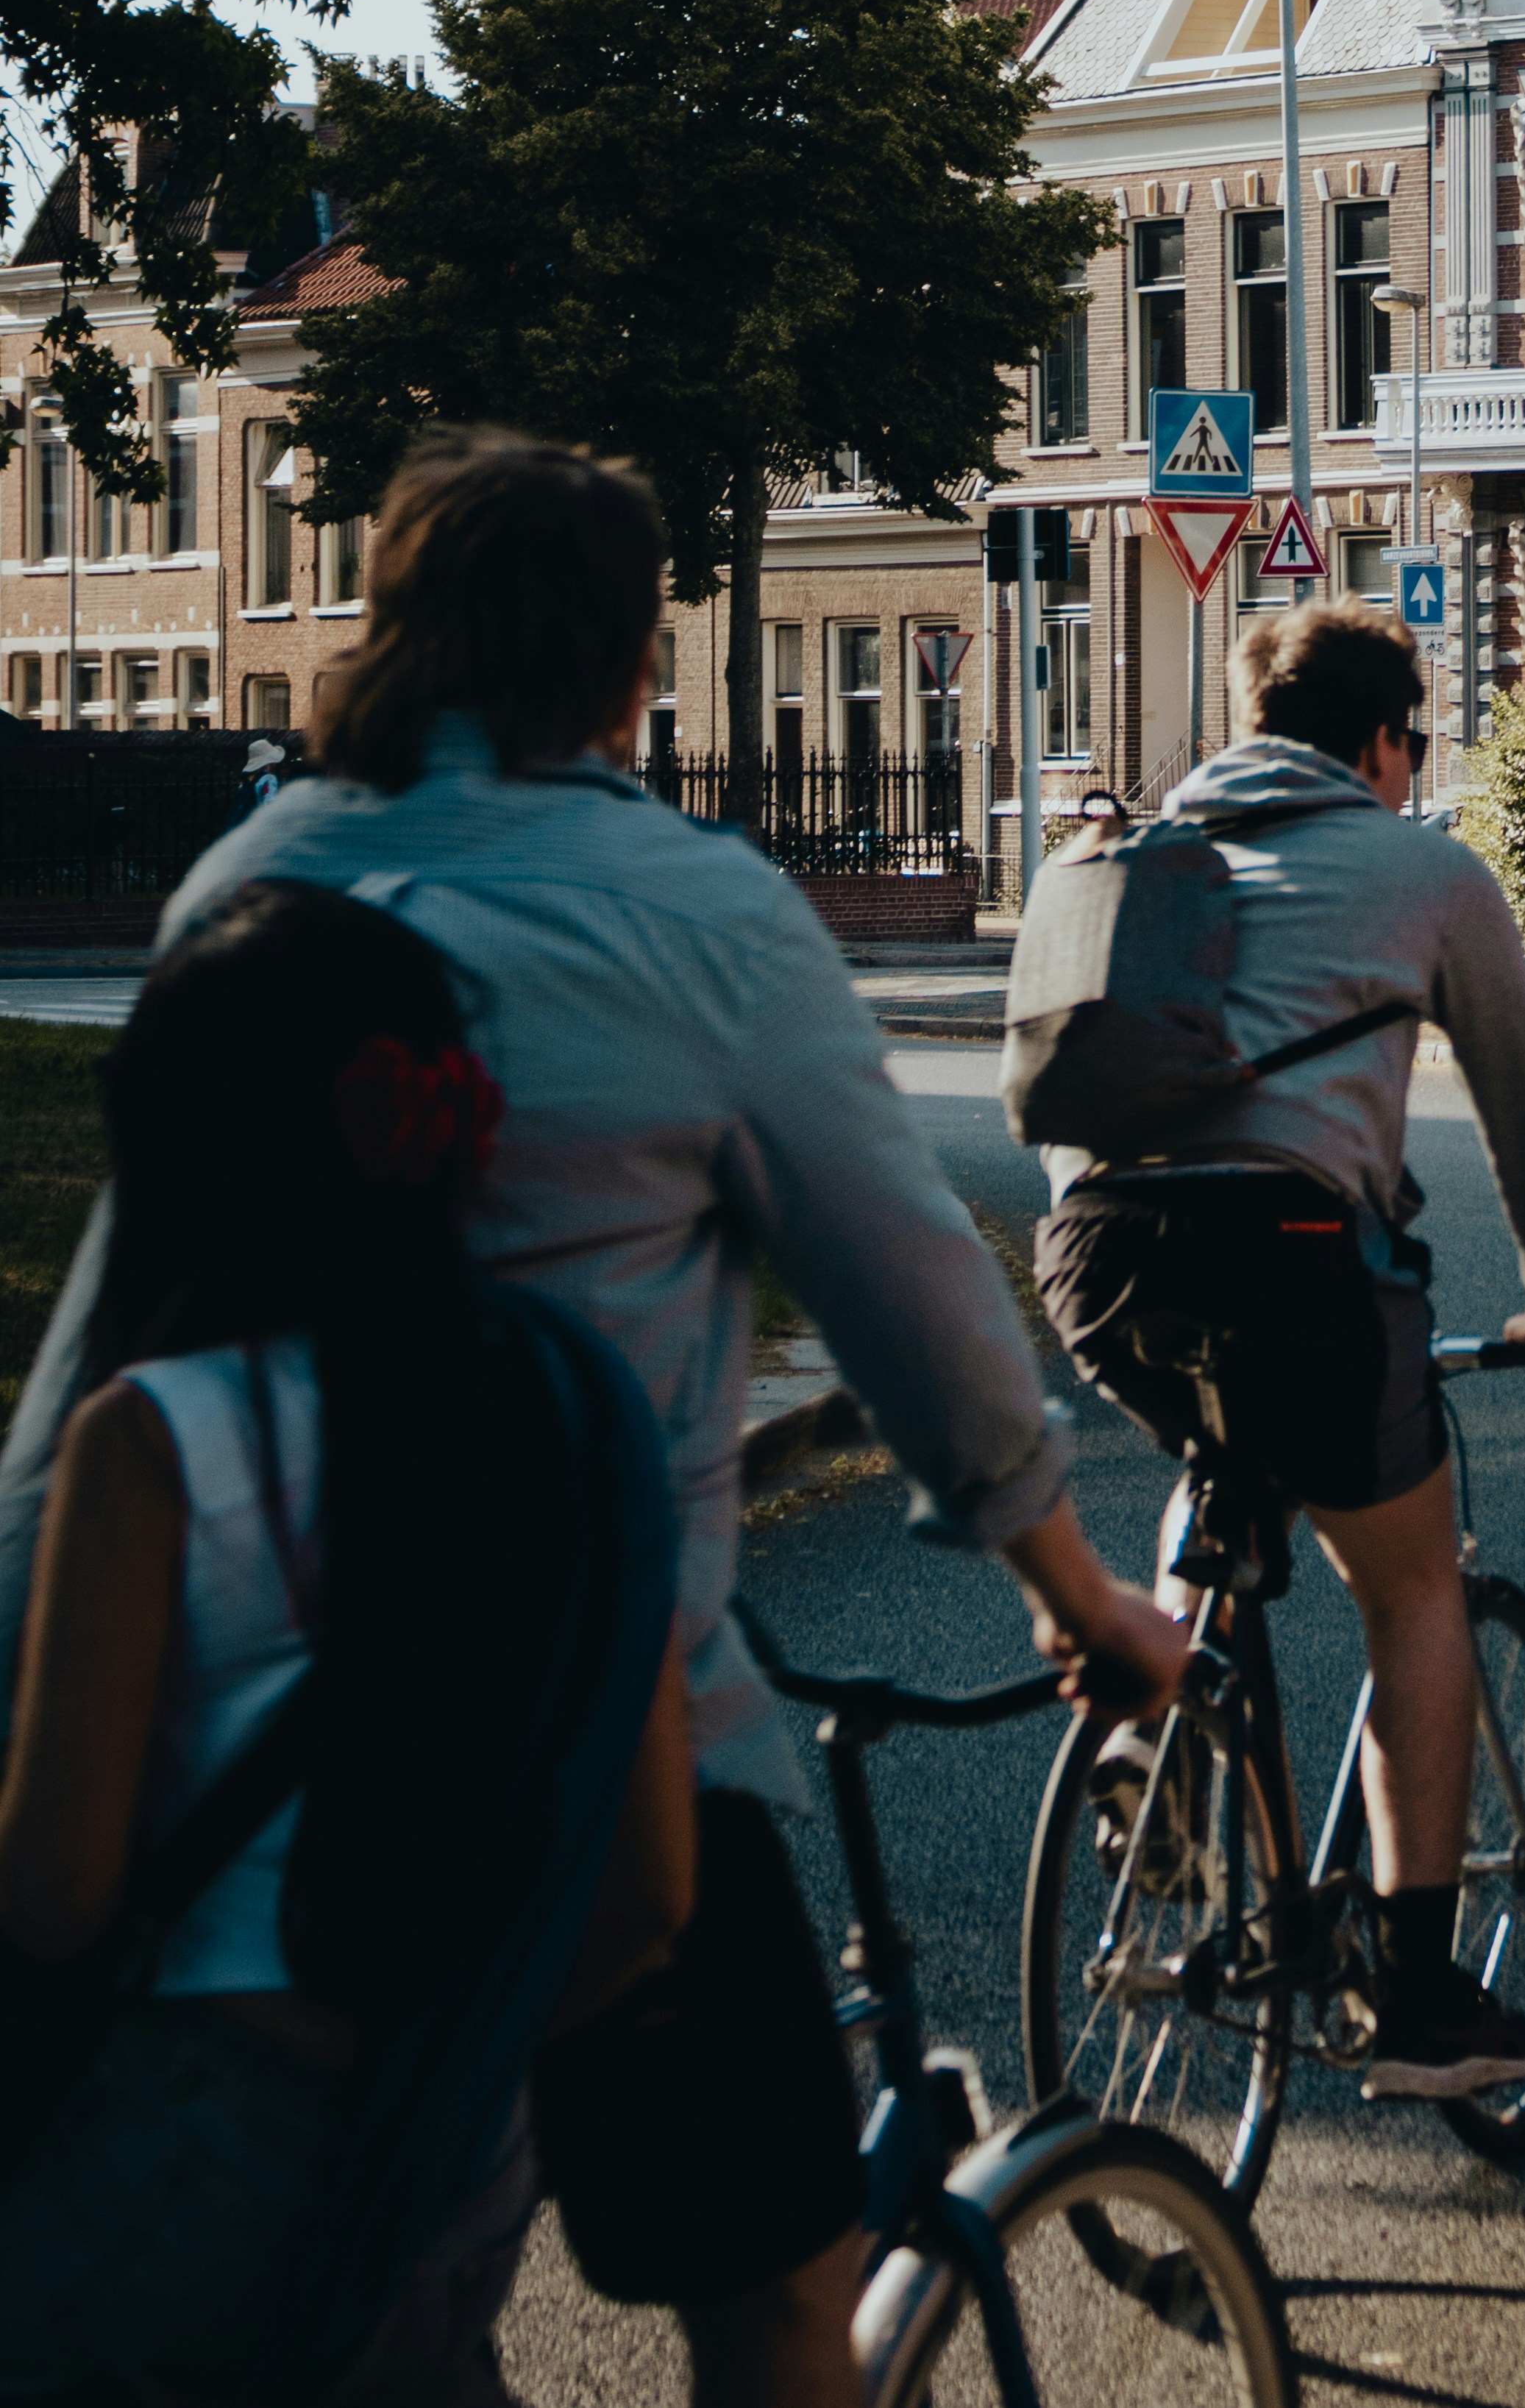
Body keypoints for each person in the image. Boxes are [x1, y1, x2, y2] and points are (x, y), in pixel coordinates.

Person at [0, 430, 1186, 2408]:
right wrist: (1072, 1585)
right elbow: (912, 1290)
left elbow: (119, 1317)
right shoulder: (698, 911)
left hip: (227, 1758)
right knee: (777, 2286)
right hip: (599, 1741)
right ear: (634, 662)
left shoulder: (247, 880)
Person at [0, 882, 693, 2404]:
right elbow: (649, 1888)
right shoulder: (578, 1409)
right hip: (463, 2140)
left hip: (195, 2124)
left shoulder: (158, 1440)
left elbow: (55, 1893)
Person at [1033, 597, 1525, 2100]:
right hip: (1295, 1257)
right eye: (1415, 742)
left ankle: (1160, 1732)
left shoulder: (1129, 852)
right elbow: (1522, 1112)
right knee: (1411, 1579)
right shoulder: (1427, 871)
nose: (1415, 767)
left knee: (1224, 1457)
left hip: (1098, 1255)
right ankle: (1413, 1991)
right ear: (1380, 738)